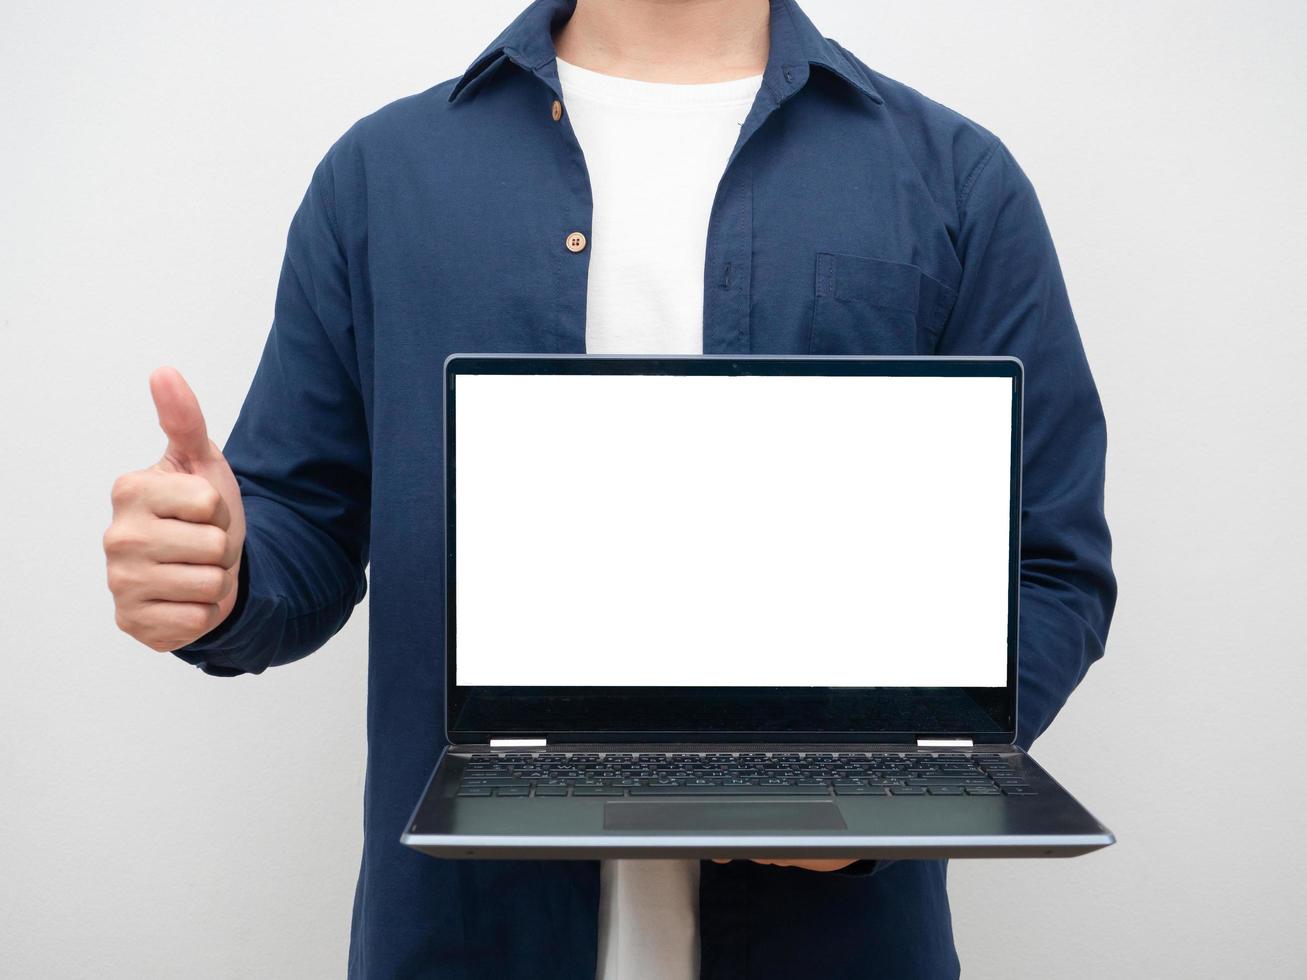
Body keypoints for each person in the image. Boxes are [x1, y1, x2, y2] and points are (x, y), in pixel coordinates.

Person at [101, 0, 1116, 976]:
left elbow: (1047, 566)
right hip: (460, 945)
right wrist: (218, 573)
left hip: (836, 941)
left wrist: (883, 792)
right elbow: (300, 530)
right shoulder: (380, 175)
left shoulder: (953, 181)